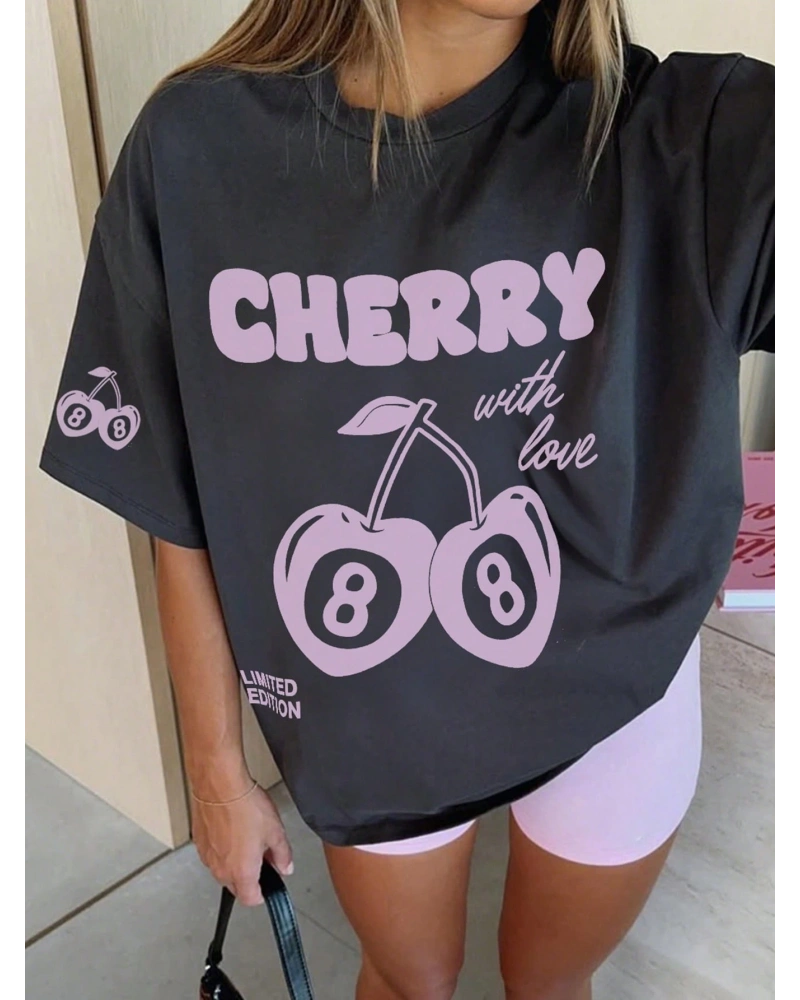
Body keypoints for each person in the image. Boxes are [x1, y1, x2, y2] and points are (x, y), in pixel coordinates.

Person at [40, 0, 775, 996]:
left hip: (616, 703)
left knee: (551, 988)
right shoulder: (198, 149)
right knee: (405, 982)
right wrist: (214, 770)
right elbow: (178, 500)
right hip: (370, 714)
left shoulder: (690, 137)